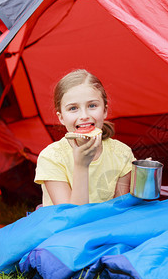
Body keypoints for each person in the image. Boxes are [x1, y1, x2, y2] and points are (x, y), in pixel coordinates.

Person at [34, 69, 135, 206]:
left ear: (104, 110)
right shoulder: (51, 157)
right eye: (73, 108)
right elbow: (71, 217)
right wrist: (81, 166)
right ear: (61, 117)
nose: (84, 115)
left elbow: (118, 209)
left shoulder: (122, 154)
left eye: (92, 105)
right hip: (67, 226)